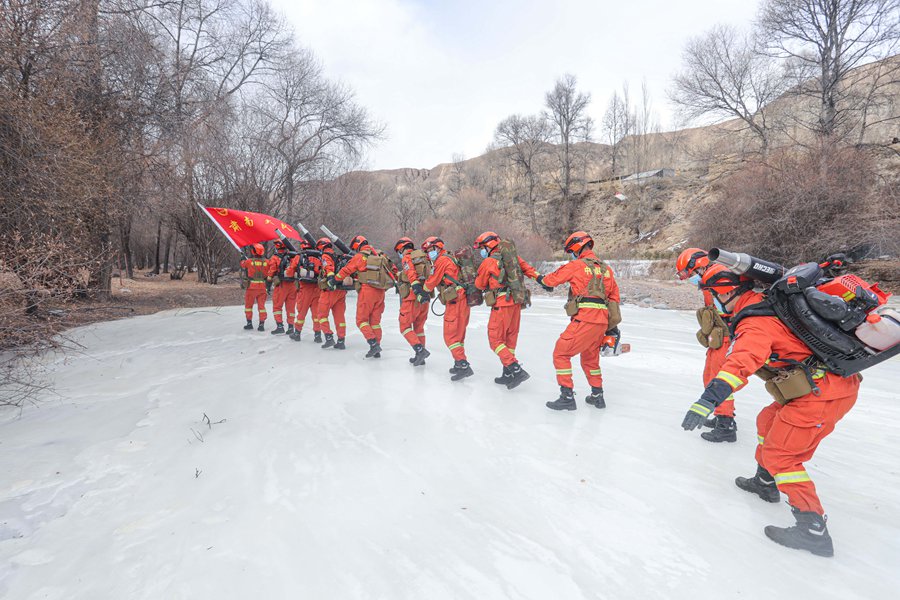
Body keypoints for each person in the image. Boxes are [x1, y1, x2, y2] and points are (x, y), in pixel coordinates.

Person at [680, 269, 861, 557]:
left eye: (715, 295)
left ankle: (812, 528)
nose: (713, 300)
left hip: (822, 393)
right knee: (767, 420)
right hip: (819, 386)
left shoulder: (755, 323)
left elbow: (741, 363)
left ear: (726, 293)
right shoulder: (765, 302)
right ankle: (765, 483)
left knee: (783, 458)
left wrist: (707, 401)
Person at [540, 231, 621, 410]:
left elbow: (551, 280)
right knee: (590, 360)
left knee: (561, 352)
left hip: (585, 318)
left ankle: (567, 396)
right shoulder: (607, 269)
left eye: (571, 251)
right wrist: (612, 327)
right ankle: (597, 396)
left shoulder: (576, 265)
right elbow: (614, 298)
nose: (572, 254)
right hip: (602, 322)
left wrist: (541, 280)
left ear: (577, 247)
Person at [676, 248, 738, 443]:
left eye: (689, 274)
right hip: (722, 334)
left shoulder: (720, 277)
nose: (689, 279)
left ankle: (726, 424)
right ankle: (724, 416)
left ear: (699, 265)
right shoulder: (712, 278)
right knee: (711, 375)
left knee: (717, 378)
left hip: (727, 334)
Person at [473, 231, 543, 389]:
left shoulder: (489, 262)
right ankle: (507, 374)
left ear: (488, 246)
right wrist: (541, 279)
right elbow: (528, 269)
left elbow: (479, 284)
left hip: (501, 304)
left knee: (495, 340)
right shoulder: (513, 258)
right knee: (509, 341)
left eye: (482, 248)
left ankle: (516, 370)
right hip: (516, 303)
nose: (482, 252)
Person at [418, 236, 472, 380]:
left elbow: (431, 282)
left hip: (455, 300)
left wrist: (421, 290)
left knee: (450, 336)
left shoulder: (441, 260)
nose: (429, 253)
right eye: (427, 251)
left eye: (430, 250)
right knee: (459, 335)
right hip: (463, 298)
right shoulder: (451, 258)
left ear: (438, 248)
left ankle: (463, 364)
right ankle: (458, 363)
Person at [335, 235, 394, 358]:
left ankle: (373, 344)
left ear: (357, 245)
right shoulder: (378, 255)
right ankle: (377, 348)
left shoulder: (359, 257)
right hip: (381, 292)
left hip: (367, 291)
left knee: (361, 320)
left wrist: (335, 279)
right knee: (375, 322)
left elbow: (347, 270)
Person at [394, 237, 430, 366]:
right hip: (425, 297)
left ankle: (419, 351)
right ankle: (420, 357)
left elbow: (410, 272)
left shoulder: (407, 257)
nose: (400, 254)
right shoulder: (424, 257)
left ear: (402, 248)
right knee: (419, 328)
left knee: (404, 326)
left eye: (399, 251)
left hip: (412, 297)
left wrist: (415, 286)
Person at [316, 238, 347, 349]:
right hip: (341, 291)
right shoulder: (338, 256)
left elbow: (328, 267)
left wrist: (330, 278)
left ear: (321, 246)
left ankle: (329, 337)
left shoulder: (325, 256)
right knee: (339, 317)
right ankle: (341, 340)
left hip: (330, 291)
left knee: (321, 315)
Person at [290, 239, 324, 343]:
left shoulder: (299, 257)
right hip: (317, 289)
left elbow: (290, 270)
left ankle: (297, 333)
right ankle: (318, 336)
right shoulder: (319, 257)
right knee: (316, 314)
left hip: (304, 289)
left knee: (301, 313)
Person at [265, 240, 298, 335]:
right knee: (291, 307)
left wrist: (268, 283)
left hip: (281, 285)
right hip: (292, 285)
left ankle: (280, 326)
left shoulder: (275, 258)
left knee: (277, 306)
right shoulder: (293, 256)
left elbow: (272, 271)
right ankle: (291, 327)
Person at [240, 243, 269, 331]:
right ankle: (261, 325)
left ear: (253, 251)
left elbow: (243, 265)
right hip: (262, 287)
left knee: (249, 306)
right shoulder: (267, 262)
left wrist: (242, 258)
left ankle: (249, 323)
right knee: (262, 307)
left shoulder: (249, 261)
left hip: (251, 287)